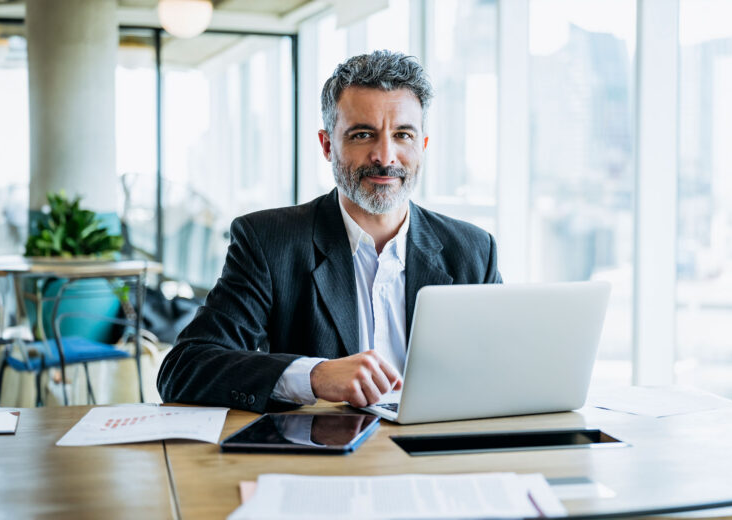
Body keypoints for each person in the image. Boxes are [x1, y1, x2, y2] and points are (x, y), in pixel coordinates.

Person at [157, 50, 502, 413]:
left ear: (423, 146)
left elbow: (503, 369)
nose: (385, 156)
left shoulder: (473, 250)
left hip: (442, 454)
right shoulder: (268, 241)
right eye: (363, 135)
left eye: (403, 135)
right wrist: (314, 376)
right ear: (327, 145)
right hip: (325, 458)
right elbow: (183, 368)